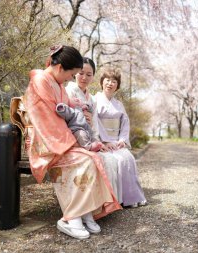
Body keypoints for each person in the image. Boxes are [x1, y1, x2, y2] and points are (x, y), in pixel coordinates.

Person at [23, 45, 121, 240]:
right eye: (72, 74)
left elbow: (70, 105)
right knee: (83, 161)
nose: (71, 79)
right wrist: (73, 142)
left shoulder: (56, 83)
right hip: (46, 142)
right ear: (60, 69)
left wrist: (80, 108)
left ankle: (86, 211)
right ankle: (71, 217)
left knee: (94, 158)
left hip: (59, 138)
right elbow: (46, 121)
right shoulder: (40, 82)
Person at [65, 57, 120, 202]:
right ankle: (88, 205)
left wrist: (98, 141)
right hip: (73, 138)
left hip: (89, 138)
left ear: (93, 77)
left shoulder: (92, 99)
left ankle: (103, 203)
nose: (84, 77)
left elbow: (94, 123)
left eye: (89, 75)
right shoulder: (67, 92)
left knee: (110, 159)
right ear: (74, 73)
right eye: (81, 73)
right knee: (97, 160)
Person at [94, 68, 147, 208]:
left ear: (117, 85)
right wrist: (104, 140)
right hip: (103, 142)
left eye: (114, 81)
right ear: (101, 82)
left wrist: (122, 140)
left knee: (128, 158)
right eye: (107, 80)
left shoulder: (119, 104)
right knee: (115, 161)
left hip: (117, 142)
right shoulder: (95, 100)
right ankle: (116, 199)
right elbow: (94, 123)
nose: (110, 83)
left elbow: (125, 123)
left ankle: (130, 197)